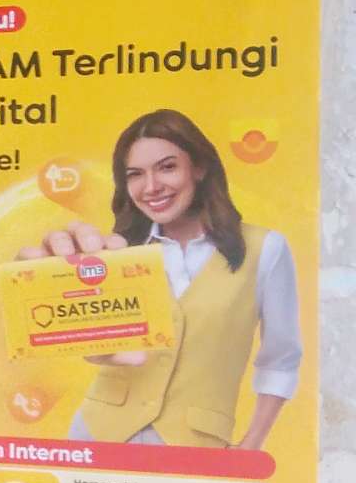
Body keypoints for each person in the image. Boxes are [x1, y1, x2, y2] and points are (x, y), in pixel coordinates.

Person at [18, 107, 300, 451]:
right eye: (135, 174)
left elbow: (281, 357)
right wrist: (39, 283)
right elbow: (91, 345)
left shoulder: (265, 248)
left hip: (195, 445)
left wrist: (251, 444)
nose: (151, 187)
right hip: (97, 433)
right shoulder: (118, 251)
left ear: (199, 167)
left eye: (167, 167)